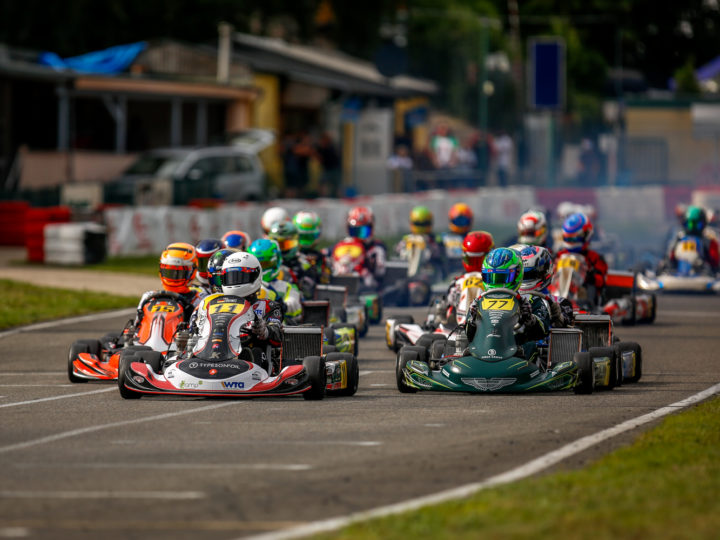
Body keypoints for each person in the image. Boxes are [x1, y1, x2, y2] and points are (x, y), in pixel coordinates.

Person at [187, 252, 283, 368]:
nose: (235, 282)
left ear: (255, 276)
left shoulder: (268, 306)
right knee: (190, 345)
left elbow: (278, 335)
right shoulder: (209, 303)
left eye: (241, 277)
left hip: (249, 357)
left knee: (256, 351)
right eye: (231, 277)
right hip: (210, 351)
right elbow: (193, 329)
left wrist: (265, 331)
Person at [465, 247, 549, 361]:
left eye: (501, 277)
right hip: (482, 352)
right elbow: (468, 336)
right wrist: (472, 321)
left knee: (531, 347)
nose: (496, 283)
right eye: (492, 277)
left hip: (518, 355)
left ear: (518, 274)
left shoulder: (530, 300)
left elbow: (542, 332)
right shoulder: (479, 302)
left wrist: (529, 319)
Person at [131, 242, 202, 335]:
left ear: (192, 272)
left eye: (179, 273)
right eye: (169, 272)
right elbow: (137, 327)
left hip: (179, 344)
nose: (174, 277)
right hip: (146, 340)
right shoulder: (149, 297)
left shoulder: (197, 300)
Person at [513, 244, 574, 328]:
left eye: (532, 274)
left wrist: (557, 316)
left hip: (546, 340)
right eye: (524, 275)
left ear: (546, 271)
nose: (527, 278)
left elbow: (567, 324)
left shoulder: (560, 302)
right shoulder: (512, 299)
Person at [441, 230, 494, 325]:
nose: (476, 263)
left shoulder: (494, 280)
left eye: (479, 259)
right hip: (456, 328)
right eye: (471, 260)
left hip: (487, 323)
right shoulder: (458, 281)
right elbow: (445, 306)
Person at [555, 212, 608, 306]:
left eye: (574, 239)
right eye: (569, 239)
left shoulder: (594, 258)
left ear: (586, 235)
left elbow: (602, 281)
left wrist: (588, 275)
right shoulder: (559, 255)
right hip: (558, 295)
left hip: (584, 300)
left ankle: (582, 305)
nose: (571, 242)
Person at [247, 238, 303, 324]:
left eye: (265, 264)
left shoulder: (285, 287)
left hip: (276, 327)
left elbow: (295, 307)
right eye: (257, 265)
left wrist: (280, 305)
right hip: (247, 325)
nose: (262, 269)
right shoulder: (245, 286)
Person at [339, 205, 387, 288]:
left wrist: (365, 260)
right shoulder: (341, 246)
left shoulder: (377, 248)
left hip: (368, 287)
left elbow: (380, 272)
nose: (359, 237)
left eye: (363, 232)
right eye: (355, 232)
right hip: (343, 281)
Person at [395, 205, 445, 279]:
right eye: (418, 224)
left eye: (423, 224)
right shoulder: (406, 240)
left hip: (429, 273)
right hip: (407, 270)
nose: (421, 227)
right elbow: (397, 252)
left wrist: (425, 243)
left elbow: (439, 255)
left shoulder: (435, 240)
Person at [665, 204, 720, 272]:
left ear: (703, 224)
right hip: (678, 276)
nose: (693, 228)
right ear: (686, 223)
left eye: (697, 225)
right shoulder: (678, 239)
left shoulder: (709, 242)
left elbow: (715, 263)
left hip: (703, 276)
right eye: (691, 224)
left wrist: (705, 264)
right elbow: (670, 258)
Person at [293, 210, 331, 285]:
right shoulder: (291, 257)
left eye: (309, 236)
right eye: (303, 236)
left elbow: (328, 281)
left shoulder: (322, 258)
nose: (306, 240)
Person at [440, 202, 474, 275]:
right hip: (448, 271)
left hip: (468, 272)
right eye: (458, 221)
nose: (461, 224)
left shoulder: (473, 239)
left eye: (463, 221)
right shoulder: (443, 238)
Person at [315, 132, 341, 197]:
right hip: (327, 169)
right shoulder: (322, 148)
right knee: (322, 183)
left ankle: (335, 197)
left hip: (333, 168)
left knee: (335, 185)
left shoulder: (330, 148)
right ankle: (322, 196)